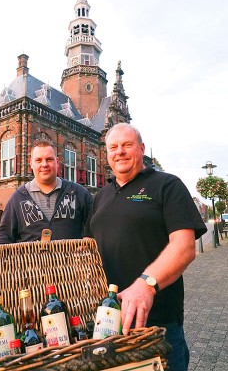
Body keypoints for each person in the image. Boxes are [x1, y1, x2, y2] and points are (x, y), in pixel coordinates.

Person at [85, 123, 207, 371]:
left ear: (141, 148)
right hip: (108, 324)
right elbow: (87, 252)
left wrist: (146, 286)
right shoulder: (100, 196)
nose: (120, 152)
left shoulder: (167, 185)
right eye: (113, 147)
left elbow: (184, 247)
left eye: (127, 145)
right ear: (106, 154)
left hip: (157, 324)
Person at [0, 139, 93, 243]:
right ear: (31, 163)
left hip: (71, 259)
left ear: (57, 162)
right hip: (30, 259)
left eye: (49, 159)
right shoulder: (18, 197)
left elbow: (96, 227)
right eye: (38, 160)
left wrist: (89, 238)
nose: (44, 164)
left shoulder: (79, 193)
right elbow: (4, 237)